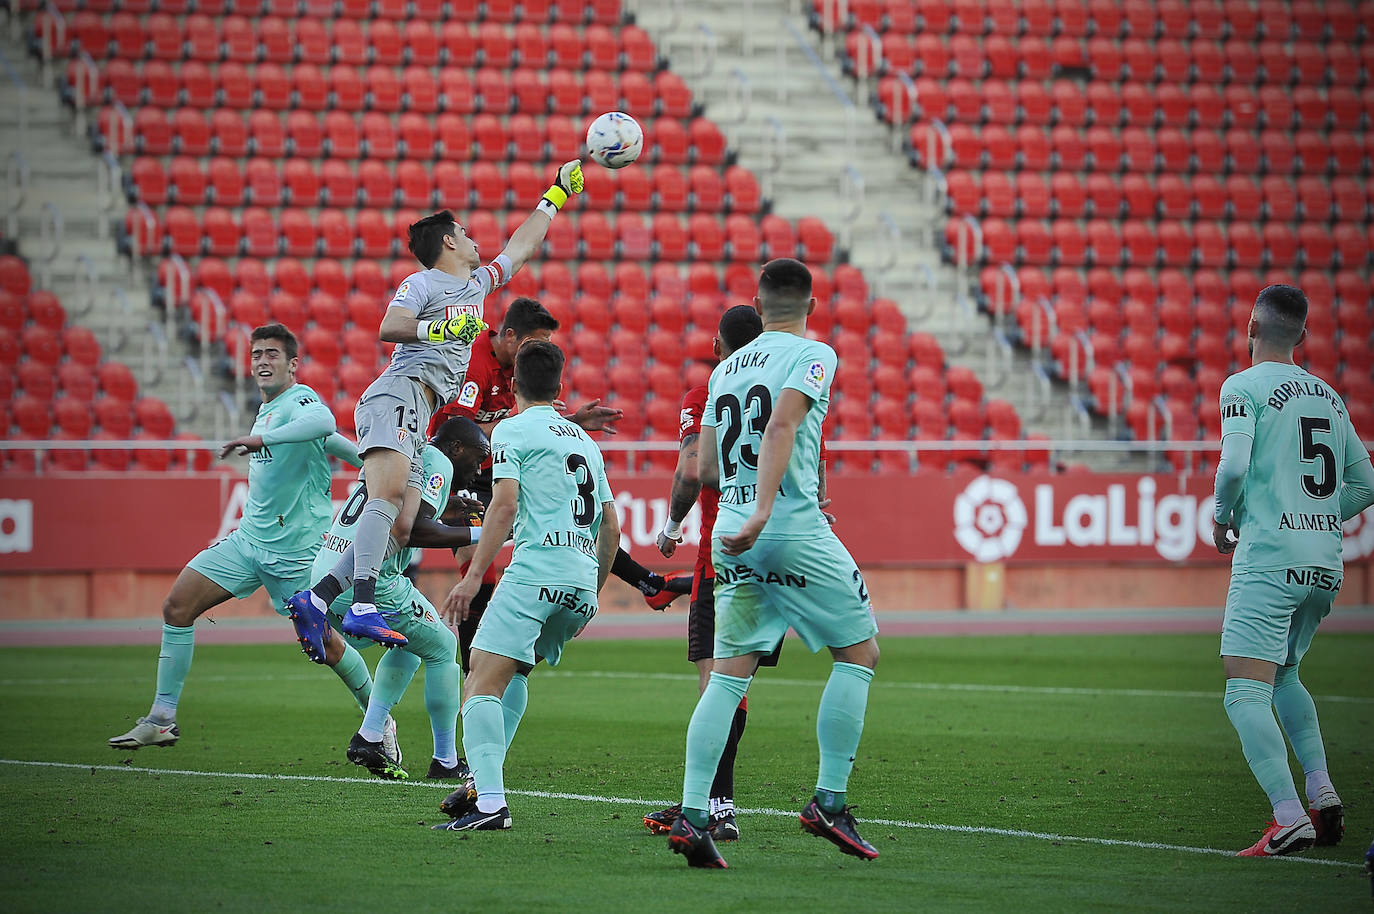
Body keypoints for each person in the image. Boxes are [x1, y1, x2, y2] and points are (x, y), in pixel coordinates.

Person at [287, 161, 584, 652]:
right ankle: (362, 604)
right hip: (399, 392)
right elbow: (390, 326)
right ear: (448, 242)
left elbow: (520, 249)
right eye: (465, 234)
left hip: (419, 410)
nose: (474, 241)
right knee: (384, 500)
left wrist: (554, 197)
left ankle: (319, 599)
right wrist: (438, 330)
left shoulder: (474, 287)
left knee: (401, 524)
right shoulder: (423, 284)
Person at [666, 259, 880, 869]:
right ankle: (829, 802)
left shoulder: (726, 368)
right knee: (860, 653)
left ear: (757, 306)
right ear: (810, 305)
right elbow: (784, 420)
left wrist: (743, 506)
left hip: (731, 531)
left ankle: (694, 814)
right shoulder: (816, 354)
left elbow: (704, 467)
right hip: (785, 523)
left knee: (728, 677)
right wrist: (766, 506)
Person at [108, 324, 387, 753]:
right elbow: (329, 439)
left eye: (272, 354)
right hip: (248, 543)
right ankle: (162, 717)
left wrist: (265, 439)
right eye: (257, 353)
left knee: (326, 643)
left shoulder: (300, 399)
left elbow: (324, 421)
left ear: (293, 365)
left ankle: (378, 720)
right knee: (177, 606)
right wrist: (364, 460)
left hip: (297, 555)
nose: (262, 360)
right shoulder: (272, 411)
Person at [425, 295, 685, 671]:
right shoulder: (476, 364)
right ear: (511, 336)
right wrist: (535, 426)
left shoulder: (514, 373)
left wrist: (568, 423)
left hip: (495, 466)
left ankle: (648, 584)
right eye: (537, 344)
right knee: (476, 565)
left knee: (568, 522)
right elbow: (457, 436)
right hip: (458, 471)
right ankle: (467, 665)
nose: (542, 351)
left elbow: (521, 429)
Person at [1211, 283, 1374, 857]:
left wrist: (1222, 518)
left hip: (1271, 558)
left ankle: (1288, 817)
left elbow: (1232, 468)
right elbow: (1367, 484)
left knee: (1243, 690)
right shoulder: (1329, 396)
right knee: (1285, 675)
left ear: (1250, 328)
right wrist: (1320, 519)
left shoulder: (1242, 387)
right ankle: (1322, 794)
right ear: (1302, 336)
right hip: (1324, 564)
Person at [432, 340, 619, 831]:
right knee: (513, 674)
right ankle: (480, 784)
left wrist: (473, 579)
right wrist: (593, 594)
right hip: (580, 582)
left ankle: (491, 804)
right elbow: (611, 528)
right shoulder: (586, 442)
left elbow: (505, 505)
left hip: (536, 571)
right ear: (560, 387)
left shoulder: (512, 430)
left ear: (513, 385)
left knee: (478, 682)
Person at [641, 305, 775, 843]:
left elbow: (693, 468)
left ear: (719, 347)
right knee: (735, 684)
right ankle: (713, 802)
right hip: (775, 554)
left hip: (720, 557)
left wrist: (672, 524)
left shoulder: (707, 394)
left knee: (713, 686)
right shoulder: (786, 392)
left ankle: (713, 807)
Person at [304, 417, 490, 781]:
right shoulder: (436, 460)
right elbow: (414, 529)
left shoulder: (400, 454)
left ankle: (371, 735)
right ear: (455, 448)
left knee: (406, 644)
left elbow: (406, 512)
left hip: (329, 571)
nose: (480, 467)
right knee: (441, 645)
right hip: (370, 577)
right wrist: (483, 533)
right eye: (478, 456)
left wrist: (450, 512)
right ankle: (446, 760)